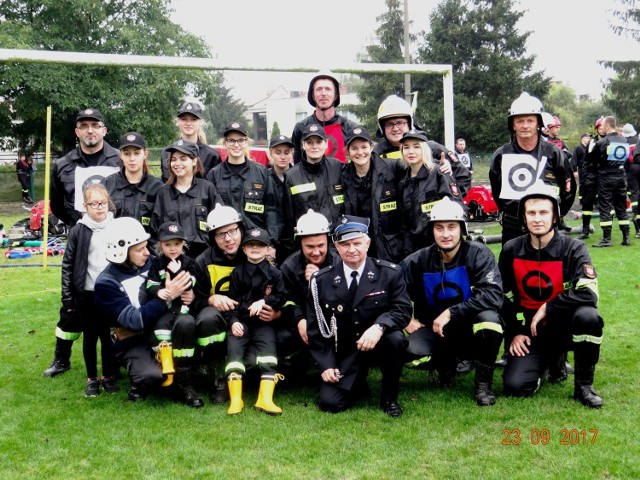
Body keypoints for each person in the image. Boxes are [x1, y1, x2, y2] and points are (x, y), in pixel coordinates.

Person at [500, 182, 604, 408]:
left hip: (565, 326)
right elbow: (497, 295)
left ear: (555, 217)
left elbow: (589, 293)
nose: (537, 218)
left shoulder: (574, 248)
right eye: (531, 213)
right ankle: (550, 362)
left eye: (544, 212)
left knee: (589, 317)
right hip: (531, 331)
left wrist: (549, 306)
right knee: (516, 387)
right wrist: (515, 332)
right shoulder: (510, 249)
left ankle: (583, 387)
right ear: (524, 218)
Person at [400, 197, 504, 406]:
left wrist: (451, 312)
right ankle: (445, 366)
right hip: (434, 330)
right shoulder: (417, 261)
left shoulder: (479, 254)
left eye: (451, 227)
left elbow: (493, 294)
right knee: (409, 354)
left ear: (462, 229)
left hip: (469, 328)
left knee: (490, 321)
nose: (445, 234)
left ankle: (483, 385)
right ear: (432, 231)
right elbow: (391, 291)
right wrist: (405, 320)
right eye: (439, 228)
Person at [306, 215, 412, 417]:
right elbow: (316, 328)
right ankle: (357, 382)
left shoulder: (390, 273)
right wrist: (326, 365)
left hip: (379, 345)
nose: (351, 249)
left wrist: (379, 327)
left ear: (368, 243)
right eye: (345, 244)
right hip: (345, 352)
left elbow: (403, 310)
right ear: (336, 246)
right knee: (331, 404)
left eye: (357, 243)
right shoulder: (321, 280)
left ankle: (389, 397)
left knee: (396, 339)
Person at [94, 217, 202, 406]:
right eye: (139, 249)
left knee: (186, 328)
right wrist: (167, 296)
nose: (147, 252)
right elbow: (134, 321)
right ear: (121, 251)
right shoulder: (106, 283)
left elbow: (188, 278)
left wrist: (190, 294)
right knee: (152, 376)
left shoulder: (154, 262)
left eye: (146, 246)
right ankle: (141, 380)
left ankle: (185, 382)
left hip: (162, 329)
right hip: (133, 341)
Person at [54, 184, 118, 396]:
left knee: (108, 337)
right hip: (86, 294)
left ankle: (108, 376)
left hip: (109, 293)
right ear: (85, 206)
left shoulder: (117, 226)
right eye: (94, 204)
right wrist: (68, 297)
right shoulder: (78, 230)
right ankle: (92, 378)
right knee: (90, 337)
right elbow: (68, 265)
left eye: (103, 203)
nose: (99, 207)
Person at [489, 92, 576, 246]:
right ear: (513, 125)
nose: (525, 125)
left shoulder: (554, 153)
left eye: (530, 120)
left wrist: (555, 216)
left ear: (538, 123)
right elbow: (497, 190)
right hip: (512, 227)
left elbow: (568, 189)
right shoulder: (501, 155)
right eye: (520, 121)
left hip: (546, 227)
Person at [225, 228, 287, 415]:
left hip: (263, 323)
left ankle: (265, 399)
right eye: (250, 245)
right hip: (241, 322)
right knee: (234, 354)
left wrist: (265, 301)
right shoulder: (237, 273)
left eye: (260, 245)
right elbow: (232, 302)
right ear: (243, 249)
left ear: (268, 249)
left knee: (269, 355)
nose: (255, 248)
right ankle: (236, 400)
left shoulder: (275, 274)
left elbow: (282, 296)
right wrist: (233, 321)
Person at [279, 210, 341, 380]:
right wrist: (299, 319)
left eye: (321, 245)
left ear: (328, 241)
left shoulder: (340, 262)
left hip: (334, 323)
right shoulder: (289, 267)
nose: (316, 252)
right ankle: (300, 361)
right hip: (303, 323)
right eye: (310, 247)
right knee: (282, 337)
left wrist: (321, 280)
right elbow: (284, 300)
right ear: (300, 244)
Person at [373, 95, 471, 196]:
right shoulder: (375, 154)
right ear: (382, 127)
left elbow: (463, 176)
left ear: (410, 123)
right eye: (389, 124)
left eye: (400, 123)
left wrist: (452, 202)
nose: (395, 128)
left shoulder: (432, 148)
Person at [206, 122, 282, 249]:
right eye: (231, 140)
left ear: (247, 142)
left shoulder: (261, 173)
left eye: (241, 140)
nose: (236, 145)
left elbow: (273, 212)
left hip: (256, 244)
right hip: (226, 247)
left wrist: (269, 243)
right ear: (225, 143)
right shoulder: (213, 175)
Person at [342, 126, 406, 263]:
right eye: (354, 148)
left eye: (364, 147)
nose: (360, 152)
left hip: (391, 250)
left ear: (371, 147)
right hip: (359, 250)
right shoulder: (342, 176)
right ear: (347, 152)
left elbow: (418, 163)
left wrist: (445, 164)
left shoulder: (392, 167)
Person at [398, 129, 464, 256]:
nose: (411, 151)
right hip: (413, 250)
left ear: (424, 150)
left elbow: (458, 210)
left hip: (439, 248)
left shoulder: (440, 174)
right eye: (406, 147)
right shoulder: (403, 182)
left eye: (416, 147)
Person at [50, 108, 120, 228]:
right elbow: (57, 206)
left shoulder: (121, 160)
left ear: (104, 130)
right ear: (77, 132)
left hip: (116, 235)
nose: (90, 130)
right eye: (84, 126)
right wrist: (76, 222)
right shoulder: (62, 165)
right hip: (79, 237)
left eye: (95, 125)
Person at [150, 139, 220, 259]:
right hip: (173, 263)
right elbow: (154, 233)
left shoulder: (207, 189)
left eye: (183, 158)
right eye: (173, 159)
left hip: (205, 262)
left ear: (194, 161)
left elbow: (219, 227)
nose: (177, 163)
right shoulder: (163, 194)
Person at [282, 124, 345, 246]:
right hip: (308, 245)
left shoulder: (339, 168)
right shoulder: (291, 176)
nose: (314, 146)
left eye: (319, 142)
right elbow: (288, 218)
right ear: (302, 145)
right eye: (310, 142)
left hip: (337, 243)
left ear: (326, 143)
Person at [291, 72, 357, 164]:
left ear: (336, 95)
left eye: (328, 89)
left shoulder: (350, 127)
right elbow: (297, 164)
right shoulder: (301, 128)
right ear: (313, 95)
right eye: (319, 89)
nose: (323, 93)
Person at [103, 132, 163, 234]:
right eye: (127, 153)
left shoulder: (158, 188)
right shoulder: (106, 185)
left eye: (137, 153)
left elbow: (162, 227)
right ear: (121, 155)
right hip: (114, 248)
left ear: (145, 154)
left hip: (147, 248)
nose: (132, 159)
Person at [590, 116, 631, 247]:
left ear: (607, 126)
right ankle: (626, 237)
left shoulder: (602, 142)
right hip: (620, 176)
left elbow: (593, 160)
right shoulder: (624, 140)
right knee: (621, 207)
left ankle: (606, 239)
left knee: (605, 207)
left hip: (606, 177)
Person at [160, 101, 221, 182]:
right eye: (184, 119)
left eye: (193, 119)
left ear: (200, 122)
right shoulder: (167, 153)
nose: (188, 123)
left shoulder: (212, 156)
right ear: (177, 122)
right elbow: (166, 182)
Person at [578, 117, 606, 240]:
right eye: (600, 128)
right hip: (592, 177)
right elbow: (585, 161)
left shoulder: (611, 141)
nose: (602, 130)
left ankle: (607, 235)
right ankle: (585, 230)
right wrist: (584, 179)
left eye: (604, 127)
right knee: (587, 204)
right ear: (597, 129)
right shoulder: (592, 142)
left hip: (606, 176)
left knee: (606, 204)